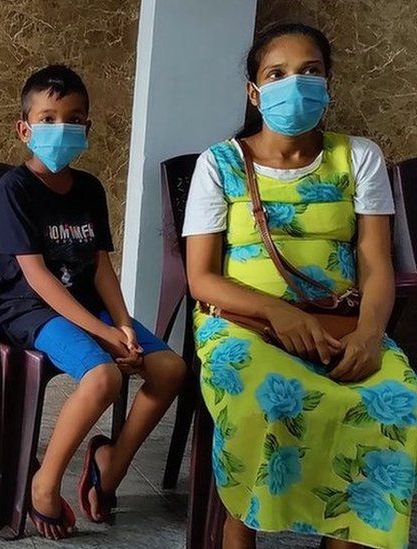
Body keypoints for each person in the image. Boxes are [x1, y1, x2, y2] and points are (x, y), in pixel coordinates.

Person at [184, 22, 415, 549]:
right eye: (278, 73)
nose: (296, 83)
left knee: (394, 404)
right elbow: (201, 278)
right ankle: (239, 529)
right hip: (242, 326)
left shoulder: (359, 157)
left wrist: (370, 334)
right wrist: (279, 313)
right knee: (270, 402)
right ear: (254, 91)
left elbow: (377, 265)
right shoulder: (218, 164)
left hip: (342, 324)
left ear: (329, 81)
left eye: (310, 71)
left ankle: (346, 535)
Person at [0, 65, 188, 539]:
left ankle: (111, 464)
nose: (63, 129)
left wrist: (121, 323)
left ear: (88, 128)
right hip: (30, 309)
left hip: (86, 305)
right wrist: (103, 336)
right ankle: (43, 484)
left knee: (170, 369)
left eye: (74, 119)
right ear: (25, 129)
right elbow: (36, 277)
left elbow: (99, 265)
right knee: (103, 377)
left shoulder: (90, 189)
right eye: (49, 118)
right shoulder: (14, 189)